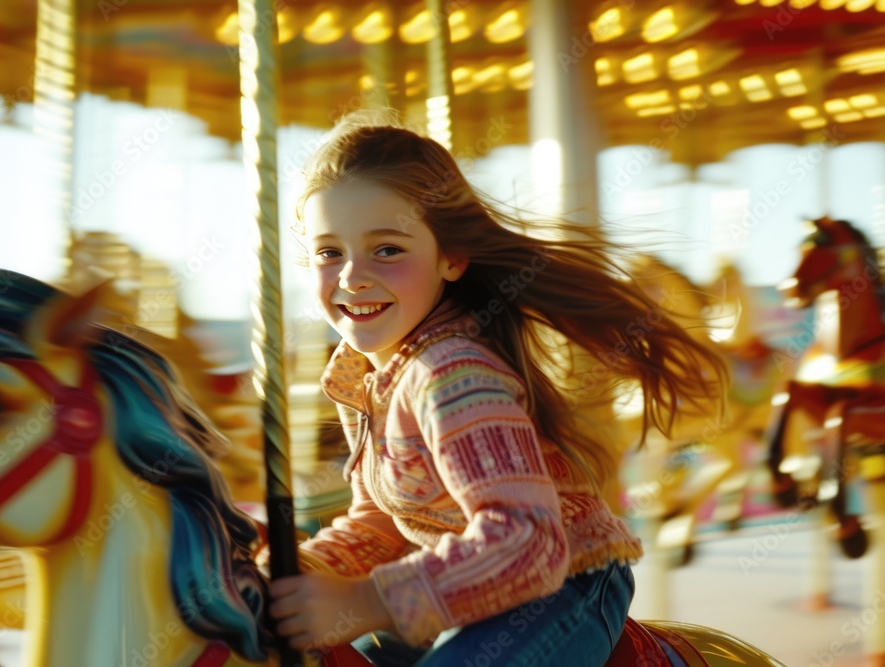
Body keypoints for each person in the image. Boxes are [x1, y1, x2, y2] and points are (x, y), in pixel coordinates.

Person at [262, 111, 724, 667]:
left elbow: (527, 543)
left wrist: (367, 598)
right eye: (328, 252)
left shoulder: (452, 375)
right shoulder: (368, 379)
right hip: (467, 587)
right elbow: (384, 519)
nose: (352, 275)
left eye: (387, 249)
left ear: (452, 258)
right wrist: (302, 571)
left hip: (561, 589)